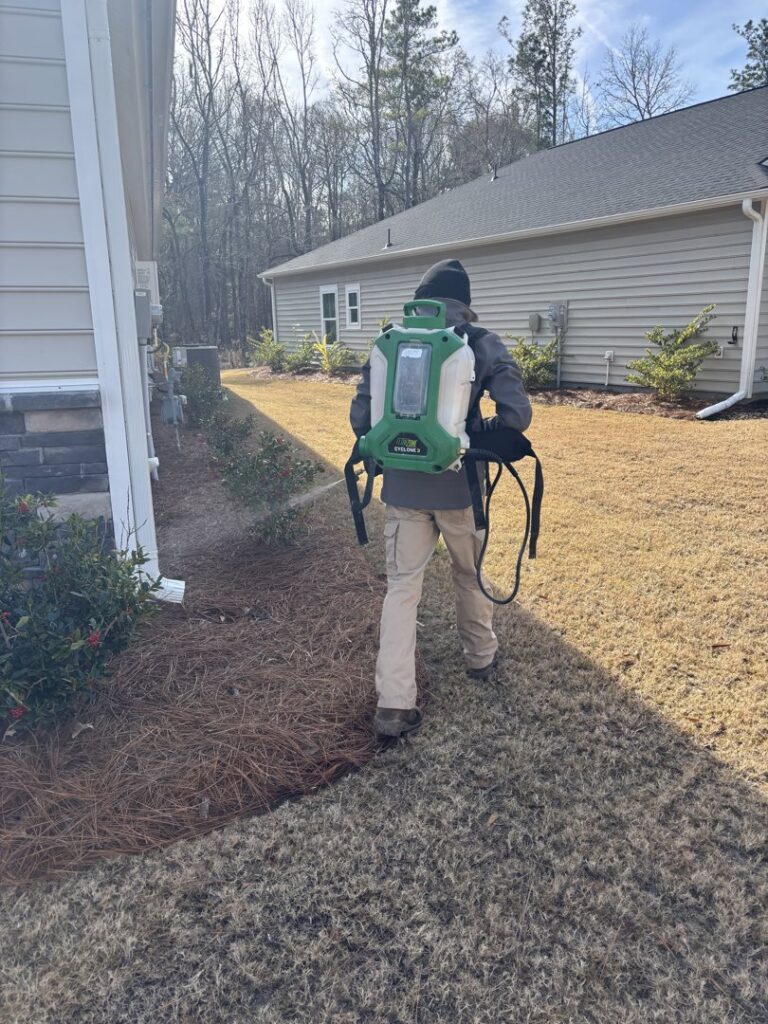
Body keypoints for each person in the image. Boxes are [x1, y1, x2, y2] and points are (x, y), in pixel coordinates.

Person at [350, 258, 533, 739]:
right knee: (468, 574)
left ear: (422, 299)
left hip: (403, 491)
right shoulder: (481, 341)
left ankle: (392, 705)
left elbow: (360, 420)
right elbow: (517, 415)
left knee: (402, 589)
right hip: (460, 488)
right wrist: (476, 435)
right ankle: (481, 658)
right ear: (465, 304)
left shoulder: (390, 341)